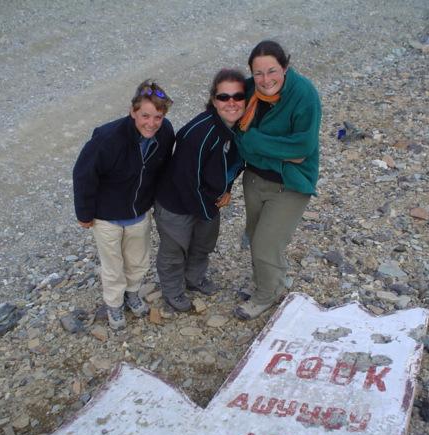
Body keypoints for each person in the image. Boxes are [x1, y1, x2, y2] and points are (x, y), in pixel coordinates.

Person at [73, 80, 175, 330]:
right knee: (112, 266)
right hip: (106, 218)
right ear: (133, 111)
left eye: (158, 117)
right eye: (145, 116)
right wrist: (84, 214)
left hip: (139, 213)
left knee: (138, 261)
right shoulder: (107, 138)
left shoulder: (165, 133)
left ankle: (132, 293)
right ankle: (114, 304)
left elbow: (163, 169)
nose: (151, 123)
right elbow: (83, 175)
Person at [234, 40, 322, 320]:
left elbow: (301, 150)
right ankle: (271, 280)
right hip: (255, 178)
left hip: (290, 183)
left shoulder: (304, 95)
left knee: (265, 244)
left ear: (285, 67)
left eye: (272, 71)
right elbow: (233, 128)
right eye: (258, 73)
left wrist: (253, 139)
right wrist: (272, 148)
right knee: (255, 234)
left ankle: (266, 295)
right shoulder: (248, 91)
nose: (265, 80)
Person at [154, 69, 246, 311]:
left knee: (203, 244)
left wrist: (226, 188)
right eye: (224, 97)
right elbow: (187, 181)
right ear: (214, 100)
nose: (231, 102)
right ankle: (173, 292)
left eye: (238, 96)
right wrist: (206, 210)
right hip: (177, 202)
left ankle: (194, 279)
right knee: (174, 252)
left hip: (207, 198)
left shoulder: (239, 127)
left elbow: (235, 163)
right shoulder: (201, 134)